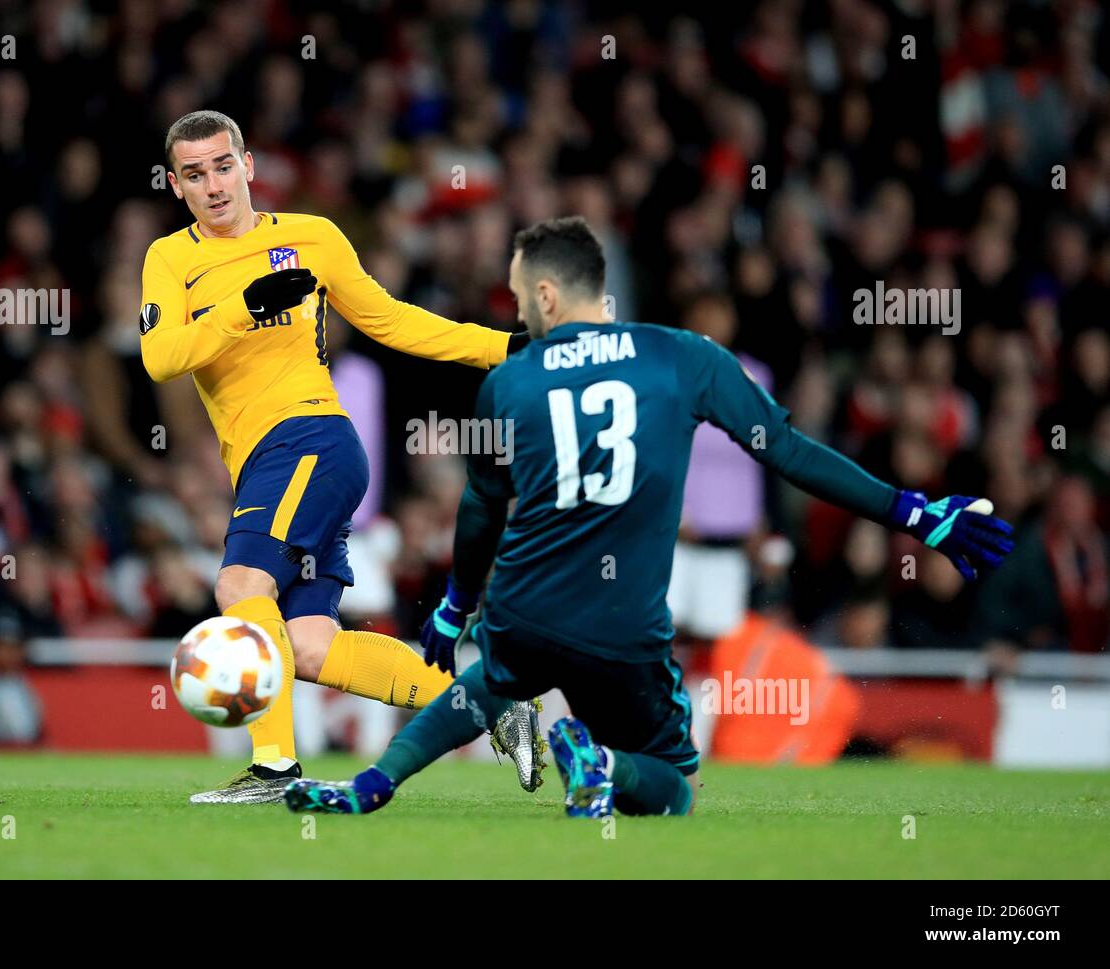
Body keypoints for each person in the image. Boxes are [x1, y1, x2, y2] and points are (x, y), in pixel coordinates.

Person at [285, 217, 1015, 819]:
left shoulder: (508, 383)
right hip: (622, 623)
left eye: (516, 296)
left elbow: (481, 510)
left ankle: (373, 783)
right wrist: (913, 512)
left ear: (545, 293)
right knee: (676, 786)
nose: (513, 311)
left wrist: (452, 609)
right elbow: (788, 453)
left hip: (523, 610)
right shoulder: (681, 357)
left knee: (487, 683)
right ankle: (599, 760)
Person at [140, 110, 537, 803]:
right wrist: (243, 306)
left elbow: (389, 319)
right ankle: (499, 705)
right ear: (176, 185)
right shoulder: (170, 258)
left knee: (238, 588)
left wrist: (501, 346)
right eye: (195, 174)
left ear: (249, 165)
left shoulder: (310, 237)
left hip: (309, 441)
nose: (213, 185)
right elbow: (160, 357)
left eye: (223, 165)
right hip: (274, 460)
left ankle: (273, 769)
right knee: (311, 648)